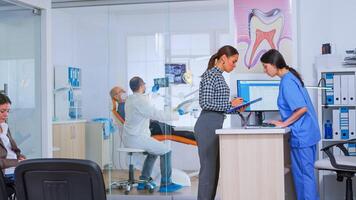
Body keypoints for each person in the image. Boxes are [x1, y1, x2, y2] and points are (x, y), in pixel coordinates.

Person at [260, 49, 320, 200]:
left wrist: (284, 123)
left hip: (302, 136)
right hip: (307, 133)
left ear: (274, 64)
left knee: (304, 178)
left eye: (266, 66)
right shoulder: (290, 77)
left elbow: (302, 108)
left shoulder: (287, 81)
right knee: (305, 176)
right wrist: (283, 122)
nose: (264, 70)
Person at [194, 45, 244, 200]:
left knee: (214, 171)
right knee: (208, 171)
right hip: (207, 125)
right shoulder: (210, 75)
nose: (234, 65)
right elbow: (205, 103)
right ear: (223, 58)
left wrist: (236, 108)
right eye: (233, 61)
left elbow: (217, 104)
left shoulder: (219, 76)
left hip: (215, 124)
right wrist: (231, 105)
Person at [123, 77, 183, 192]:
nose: (145, 86)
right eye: (144, 84)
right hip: (137, 138)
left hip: (131, 137)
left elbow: (145, 103)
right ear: (141, 86)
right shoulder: (140, 101)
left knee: (155, 151)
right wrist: (176, 114)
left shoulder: (131, 99)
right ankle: (166, 183)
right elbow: (156, 113)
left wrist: (153, 93)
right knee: (166, 150)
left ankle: (143, 181)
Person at [110, 86, 195, 141]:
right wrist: (177, 114)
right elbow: (145, 112)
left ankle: (200, 137)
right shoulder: (123, 107)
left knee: (176, 131)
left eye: (123, 90)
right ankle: (202, 138)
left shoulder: (129, 103)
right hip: (151, 128)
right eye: (120, 91)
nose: (123, 92)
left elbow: (143, 104)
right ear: (116, 97)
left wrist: (152, 93)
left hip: (152, 125)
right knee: (178, 132)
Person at [0, 93, 26, 197]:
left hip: (13, 169)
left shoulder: (5, 126)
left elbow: (12, 149)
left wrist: (19, 156)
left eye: (7, 111)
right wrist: (16, 162)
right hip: (4, 173)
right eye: (2, 111)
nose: (6, 115)